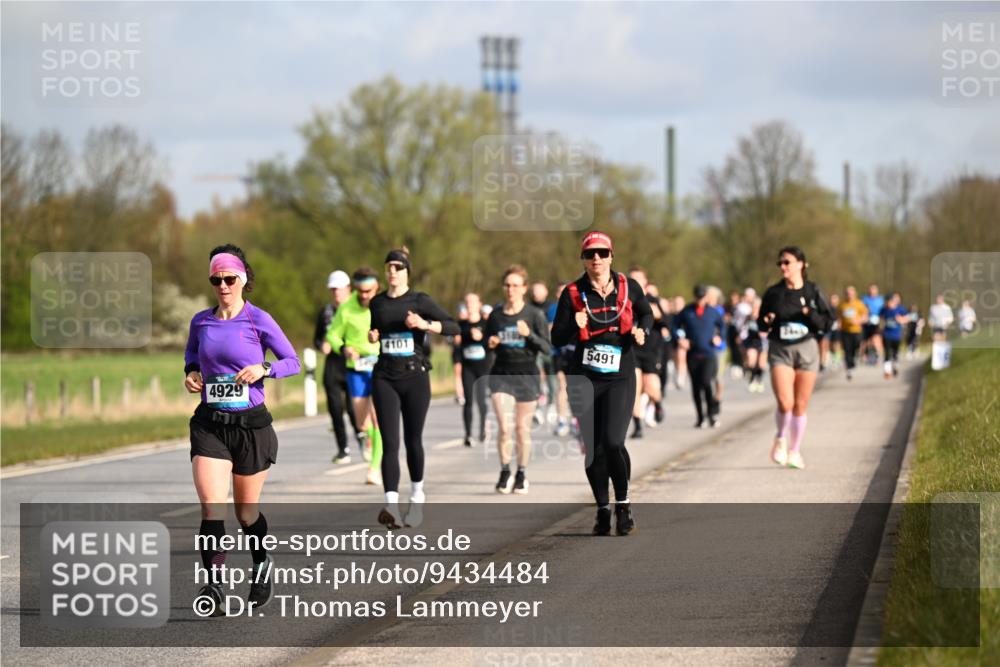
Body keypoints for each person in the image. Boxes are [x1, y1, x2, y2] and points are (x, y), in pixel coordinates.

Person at [185, 244, 300, 616]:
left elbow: (292, 361)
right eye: (216, 279)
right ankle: (215, 586)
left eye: (229, 278)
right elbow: (191, 357)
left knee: (246, 514)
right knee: (210, 507)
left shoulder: (258, 320)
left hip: (251, 426)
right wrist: (191, 375)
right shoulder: (200, 321)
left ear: (243, 279)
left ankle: (262, 560)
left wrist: (265, 369)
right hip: (211, 424)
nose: (222, 285)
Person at [551, 231, 653, 536]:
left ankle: (623, 506)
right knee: (594, 449)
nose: (596, 258)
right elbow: (556, 337)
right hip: (584, 377)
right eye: (590, 254)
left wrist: (641, 330)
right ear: (583, 259)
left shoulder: (629, 287)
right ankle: (602, 510)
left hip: (620, 374)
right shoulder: (571, 293)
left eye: (602, 253)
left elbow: (647, 315)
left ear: (611, 256)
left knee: (613, 442)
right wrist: (573, 325)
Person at [368, 247, 459, 529]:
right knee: (389, 442)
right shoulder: (378, 303)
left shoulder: (420, 300)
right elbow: (377, 330)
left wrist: (425, 324)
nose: (393, 271)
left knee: (412, 440)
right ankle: (391, 505)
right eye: (389, 267)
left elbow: (454, 327)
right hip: (384, 376)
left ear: (407, 271)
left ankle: (417, 496)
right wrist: (374, 335)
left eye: (398, 267)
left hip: (415, 377)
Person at [759, 246, 834, 470]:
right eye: (780, 263)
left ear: (801, 264)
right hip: (780, 349)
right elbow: (760, 323)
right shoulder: (773, 293)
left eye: (787, 262)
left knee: (801, 404)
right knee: (785, 402)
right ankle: (781, 438)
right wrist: (767, 319)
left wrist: (809, 314)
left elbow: (828, 322)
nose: (783, 267)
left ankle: (795, 451)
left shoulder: (812, 292)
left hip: (807, 349)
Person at [486, 266, 552, 494]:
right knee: (505, 428)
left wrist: (529, 335)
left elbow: (547, 348)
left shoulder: (534, 315)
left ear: (524, 288)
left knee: (522, 429)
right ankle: (505, 471)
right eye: (507, 285)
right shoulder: (496, 315)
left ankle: (521, 473)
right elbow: (488, 342)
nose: (510, 289)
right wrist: (491, 343)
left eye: (515, 285)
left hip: (527, 376)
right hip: (501, 374)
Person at [327, 267, 384, 485]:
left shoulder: (382, 304)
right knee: (362, 423)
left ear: (376, 287)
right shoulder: (347, 308)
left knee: (378, 419)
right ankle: (366, 438)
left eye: (367, 291)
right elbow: (332, 334)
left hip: (380, 367)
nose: (363, 296)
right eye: (360, 291)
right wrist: (344, 349)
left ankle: (374, 468)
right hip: (356, 369)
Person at [314, 270, 360, 464]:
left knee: (353, 408)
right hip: (333, 364)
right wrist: (321, 344)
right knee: (335, 408)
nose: (336, 293)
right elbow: (316, 338)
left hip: (352, 364)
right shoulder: (326, 312)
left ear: (348, 288)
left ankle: (363, 439)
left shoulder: (357, 309)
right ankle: (343, 449)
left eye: (339, 289)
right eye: (332, 290)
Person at [675, 285, 725, 428]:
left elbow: (722, 327)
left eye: (702, 297)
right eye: (698, 297)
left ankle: (711, 415)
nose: (700, 300)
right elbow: (675, 326)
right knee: (696, 387)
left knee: (706, 382)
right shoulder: (687, 311)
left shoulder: (713, 312)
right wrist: (680, 338)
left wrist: (719, 337)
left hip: (709, 354)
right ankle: (700, 417)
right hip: (693, 354)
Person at [627, 267, 664, 438]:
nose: (634, 282)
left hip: (650, 349)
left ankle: (657, 403)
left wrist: (654, 313)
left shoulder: (652, 299)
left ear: (645, 282)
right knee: (635, 387)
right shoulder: (623, 299)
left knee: (652, 388)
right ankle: (638, 425)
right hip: (631, 349)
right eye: (631, 278)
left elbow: (663, 320)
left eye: (638, 279)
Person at [457, 292, 491, 447]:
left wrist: (481, 338)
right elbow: (457, 344)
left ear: (479, 304)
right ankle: (468, 434)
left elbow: (491, 344)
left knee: (481, 399)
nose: (470, 305)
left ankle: (483, 429)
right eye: (468, 302)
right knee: (468, 400)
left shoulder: (486, 323)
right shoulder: (461, 325)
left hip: (483, 367)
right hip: (468, 367)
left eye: (473, 302)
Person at [836, 286, 868, 381]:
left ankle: (853, 360)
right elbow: (839, 316)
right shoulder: (842, 304)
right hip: (845, 331)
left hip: (856, 330)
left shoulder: (859, 304)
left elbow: (865, 316)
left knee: (856, 345)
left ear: (855, 294)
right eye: (847, 293)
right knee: (847, 349)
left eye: (851, 293)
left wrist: (859, 321)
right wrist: (839, 324)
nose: (849, 295)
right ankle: (849, 368)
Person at [880, 292, 908, 379]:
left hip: (896, 335)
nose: (889, 303)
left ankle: (895, 366)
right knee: (887, 353)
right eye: (887, 302)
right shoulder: (884, 310)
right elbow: (880, 319)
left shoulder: (900, 309)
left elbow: (907, 318)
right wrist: (880, 327)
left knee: (895, 353)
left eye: (890, 301)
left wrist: (901, 320)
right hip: (886, 334)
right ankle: (887, 371)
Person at [741, 296, 766, 392]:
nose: (755, 308)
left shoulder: (764, 316)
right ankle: (752, 381)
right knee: (751, 360)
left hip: (762, 341)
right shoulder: (748, 317)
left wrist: (764, 332)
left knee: (761, 364)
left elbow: (770, 328)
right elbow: (743, 328)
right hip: (751, 341)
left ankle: (759, 381)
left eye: (757, 306)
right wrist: (741, 337)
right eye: (753, 306)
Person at [861, 284, 885, 365]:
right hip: (866, 322)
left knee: (876, 339)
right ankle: (864, 356)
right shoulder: (864, 299)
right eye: (871, 290)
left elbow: (883, 310)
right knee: (865, 341)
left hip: (877, 322)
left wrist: (881, 320)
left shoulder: (880, 300)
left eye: (874, 290)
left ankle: (878, 355)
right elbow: (861, 310)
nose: (872, 292)